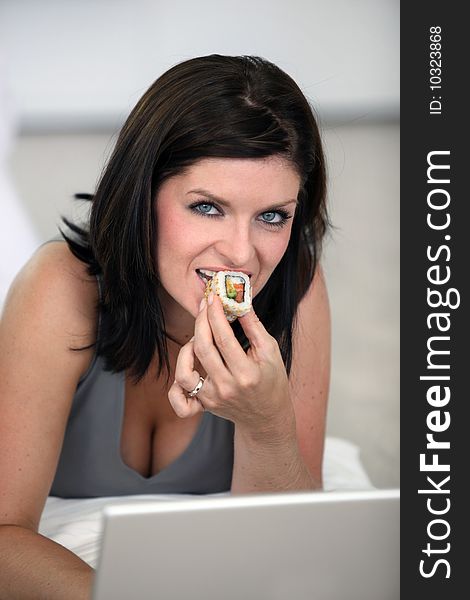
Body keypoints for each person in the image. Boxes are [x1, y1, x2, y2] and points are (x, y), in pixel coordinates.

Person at [0, 54, 331, 599]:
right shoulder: (60, 287)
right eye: (207, 208)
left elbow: (288, 549)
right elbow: (5, 531)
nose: (241, 254)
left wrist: (266, 424)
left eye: (273, 216)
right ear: (142, 197)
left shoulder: (297, 286)